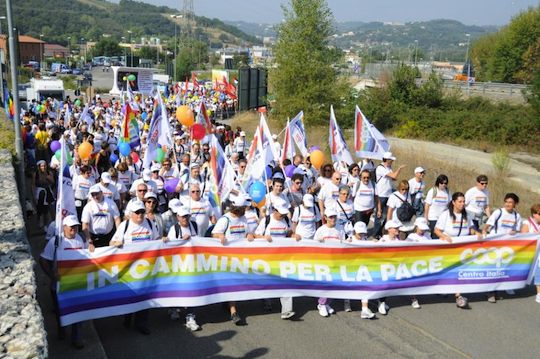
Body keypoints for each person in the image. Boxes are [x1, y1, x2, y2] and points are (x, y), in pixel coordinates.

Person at [109, 200, 161, 335]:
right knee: (131, 295)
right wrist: (116, 243)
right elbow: (111, 243)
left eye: (142, 212)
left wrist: (163, 240)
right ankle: (128, 317)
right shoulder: (124, 226)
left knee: (144, 295)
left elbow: (157, 240)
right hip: (129, 269)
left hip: (146, 268)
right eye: (137, 212)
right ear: (131, 213)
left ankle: (142, 323)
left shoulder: (149, 223)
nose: (140, 215)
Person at [39, 215, 89, 349]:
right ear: (64, 227)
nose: (74, 229)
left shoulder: (80, 239)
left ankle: (77, 337)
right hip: (59, 285)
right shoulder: (56, 242)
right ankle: (62, 329)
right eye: (71, 226)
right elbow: (43, 259)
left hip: (77, 283)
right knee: (61, 311)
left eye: (76, 226)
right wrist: (51, 275)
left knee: (77, 311)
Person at [434, 192, 482, 309]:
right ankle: (445, 288)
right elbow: (436, 230)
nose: (462, 204)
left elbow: (470, 229)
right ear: (453, 202)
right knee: (448, 269)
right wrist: (444, 237)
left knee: (458, 270)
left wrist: (477, 233)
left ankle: (458, 296)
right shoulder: (446, 215)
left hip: (462, 248)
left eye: (463, 201)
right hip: (448, 247)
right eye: (460, 201)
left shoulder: (466, 216)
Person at [212, 196, 255, 325]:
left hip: (241, 256)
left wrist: (249, 235)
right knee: (232, 282)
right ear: (237, 208)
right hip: (227, 257)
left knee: (235, 282)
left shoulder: (243, 218)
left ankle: (227, 302)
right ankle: (233, 311)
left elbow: (247, 232)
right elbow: (214, 234)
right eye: (243, 208)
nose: (245, 210)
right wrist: (220, 236)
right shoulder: (225, 219)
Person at [255, 202, 296, 319]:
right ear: (275, 211)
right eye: (280, 214)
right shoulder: (266, 221)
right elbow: (255, 235)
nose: (282, 216)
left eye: (284, 214)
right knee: (268, 280)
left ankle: (287, 310)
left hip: (282, 257)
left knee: (286, 282)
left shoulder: (286, 220)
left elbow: (289, 233)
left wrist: (294, 235)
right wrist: (264, 237)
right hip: (267, 257)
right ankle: (267, 299)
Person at [164, 205, 201, 331]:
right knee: (178, 288)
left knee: (192, 289)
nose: (185, 218)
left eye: (187, 216)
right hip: (178, 265)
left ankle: (190, 317)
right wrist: (181, 240)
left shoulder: (194, 226)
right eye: (182, 216)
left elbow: (200, 242)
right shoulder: (174, 229)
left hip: (192, 264)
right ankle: (174, 308)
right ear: (178, 217)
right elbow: (171, 247)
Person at [313, 208, 345, 317]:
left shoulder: (340, 229)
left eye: (334, 217)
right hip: (324, 261)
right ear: (325, 218)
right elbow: (314, 245)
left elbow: (343, 243)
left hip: (336, 260)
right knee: (326, 283)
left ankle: (327, 303)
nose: (333, 219)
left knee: (333, 284)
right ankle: (321, 304)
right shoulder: (321, 230)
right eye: (330, 217)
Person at [344, 222, 376, 319]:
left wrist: (375, 243)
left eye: (363, 233)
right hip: (350, 267)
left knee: (364, 286)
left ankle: (365, 309)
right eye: (359, 233)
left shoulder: (365, 240)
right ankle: (347, 302)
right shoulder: (349, 240)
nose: (361, 235)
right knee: (349, 286)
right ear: (354, 232)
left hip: (362, 268)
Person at [373, 152, 405, 238]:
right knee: (379, 215)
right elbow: (394, 175)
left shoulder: (388, 168)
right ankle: (376, 234)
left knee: (387, 215)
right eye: (391, 160)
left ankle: (383, 232)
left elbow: (394, 178)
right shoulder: (380, 168)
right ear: (387, 160)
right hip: (381, 194)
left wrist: (393, 174)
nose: (392, 162)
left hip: (388, 194)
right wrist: (399, 169)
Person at [81, 185, 121, 249]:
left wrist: (118, 235)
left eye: (97, 194)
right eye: (93, 195)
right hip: (94, 237)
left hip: (109, 236)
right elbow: (85, 225)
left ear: (101, 193)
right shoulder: (88, 206)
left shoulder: (111, 203)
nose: (95, 196)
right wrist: (89, 240)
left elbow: (117, 219)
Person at [520, 204, 540, 303]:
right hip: (530, 252)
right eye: (539, 214)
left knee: (538, 271)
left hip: (539, 253)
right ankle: (510, 284)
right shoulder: (527, 223)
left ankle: (539, 293)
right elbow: (524, 237)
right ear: (534, 214)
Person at [34, 160, 56, 231]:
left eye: (45, 166)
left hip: (48, 191)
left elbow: (53, 182)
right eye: (42, 166)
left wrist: (49, 178)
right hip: (40, 193)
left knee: (50, 208)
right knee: (41, 209)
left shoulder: (49, 173)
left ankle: (50, 224)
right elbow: (33, 185)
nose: (43, 167)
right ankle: (41, 224)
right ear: (39, 167)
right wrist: (34, 195)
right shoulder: (36, 174)